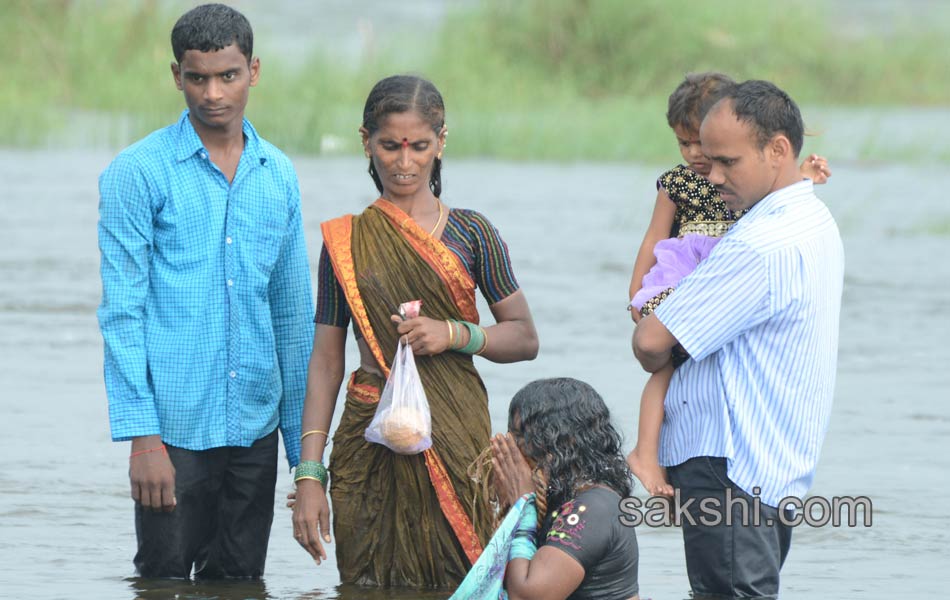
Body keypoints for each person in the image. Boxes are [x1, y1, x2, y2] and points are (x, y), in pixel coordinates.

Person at [290, 74, 539, 588]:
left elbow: (524, 337)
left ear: (441, 142)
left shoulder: (472, 232)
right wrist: (310, 473)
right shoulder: (348, 240)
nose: (404, 163)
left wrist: (456, 334)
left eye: (419, 147)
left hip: (455, 433)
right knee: (365, 579)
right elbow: (326, 361)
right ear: (366, 142)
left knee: (463, 577)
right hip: (368, 434)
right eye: (390, 147)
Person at [97, 3, 313, 579]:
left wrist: (306, 461)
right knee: (161, 581)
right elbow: (122, 313)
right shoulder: (137, 172)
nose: (213, 93)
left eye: (228, 76)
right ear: (177, 76)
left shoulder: (278, 175)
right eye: (197, 77)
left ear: (254, 71)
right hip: (172, 432)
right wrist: (142, 438)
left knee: (242, 584)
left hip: (255, 431)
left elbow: (292, 319)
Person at [632, 79, 844, 598]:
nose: (714, 175)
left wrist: (656, 328)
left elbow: (650, 343)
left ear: (778, 150)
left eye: (728, 161)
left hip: (732, 466)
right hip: (771, 463)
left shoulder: (758, 244)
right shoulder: (811, 217)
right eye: (706, 157)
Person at [451, 377, 639, 600]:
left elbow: (528, 596)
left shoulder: (592, 508)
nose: (511, 445)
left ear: (563, 440)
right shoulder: (563, 498)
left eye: (521, 436)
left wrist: (524, 504)